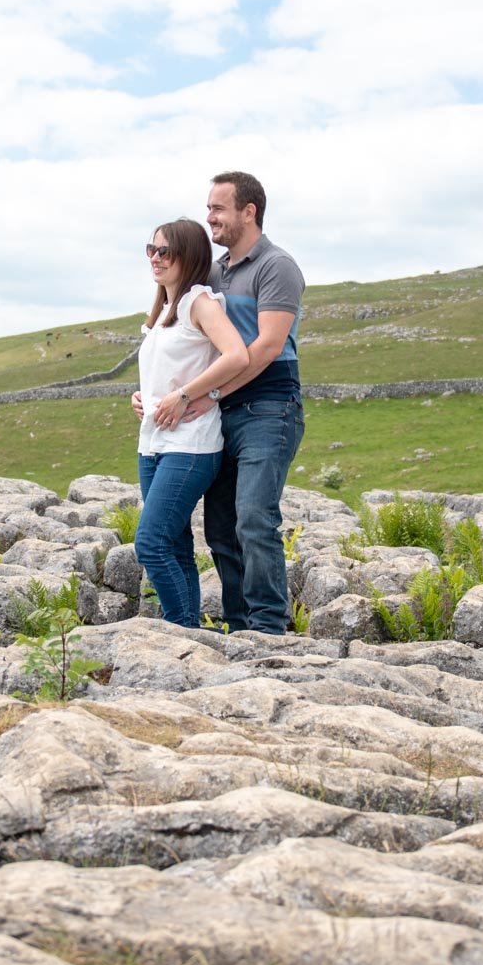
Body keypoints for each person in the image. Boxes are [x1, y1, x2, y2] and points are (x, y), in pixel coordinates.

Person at [192, 171, 306, 634]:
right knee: (220, 527)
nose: (209, 217)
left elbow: (266, 347)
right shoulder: (214, 272)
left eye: (218, 208)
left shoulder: (276, 266)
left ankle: (269, 627)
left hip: (269, 405)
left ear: (248, 211)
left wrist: (209, 393)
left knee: (255, 518)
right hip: (221, 411)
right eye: (208, 207)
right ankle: (240, 626)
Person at [134, 217, 248, 628]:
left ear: (189, 256)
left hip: (192, 444)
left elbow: (237, 355)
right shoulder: (164, 308)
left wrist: (185, 396)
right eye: (151, 249)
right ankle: (187, 630)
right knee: (175, 542)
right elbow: (169, 369)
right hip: (154, 442)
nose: (155, 258)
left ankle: (180, 628)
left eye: (165, 251)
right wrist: (144, 397)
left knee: (150, 542)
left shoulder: (199, 301)